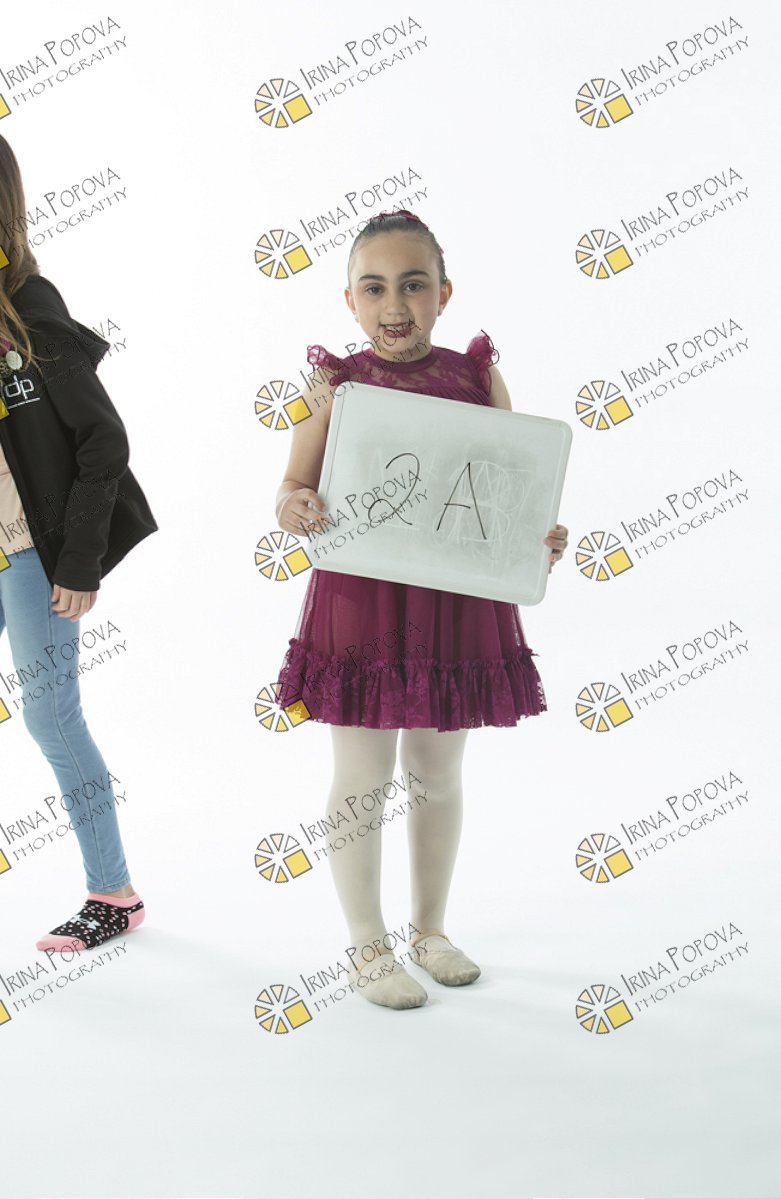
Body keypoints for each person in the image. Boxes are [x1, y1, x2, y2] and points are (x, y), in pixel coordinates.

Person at [274, 209, 568, 1011]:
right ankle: (367, 945)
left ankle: (429, 930)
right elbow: (292, 485)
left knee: (437, 771)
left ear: (444, 292)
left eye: (412, 285)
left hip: (454, 597)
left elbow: (513, 486)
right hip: (361, 598)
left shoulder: (477, 378)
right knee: (362, 773)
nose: (394, 304)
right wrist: (296, 506)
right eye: (374, 288)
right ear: (350, 300)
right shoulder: (335, 386)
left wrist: (539, 535)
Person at [0, 134, 157, 952]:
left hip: (33, 554)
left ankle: (113, 893)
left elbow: (103, 439)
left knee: (51, 717)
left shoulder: (30, 305)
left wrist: (80, 557)